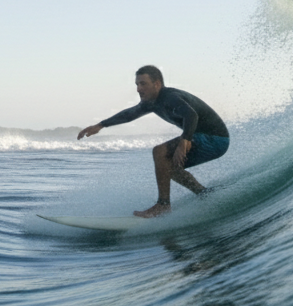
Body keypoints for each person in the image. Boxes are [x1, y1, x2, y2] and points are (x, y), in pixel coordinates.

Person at [77, 65, 230, 218]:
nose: (138, 89)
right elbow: (129, 114)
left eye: (143, 83)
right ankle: (204, 194)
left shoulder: (170, 97)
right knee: (167, 166)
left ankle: (163, 205)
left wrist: (185, 140)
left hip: (215, 139)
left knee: (160, 152)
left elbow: (191, 115)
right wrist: (100, 125)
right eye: (137, 84)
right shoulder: (151, 102)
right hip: (206, 139)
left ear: (156, 84)